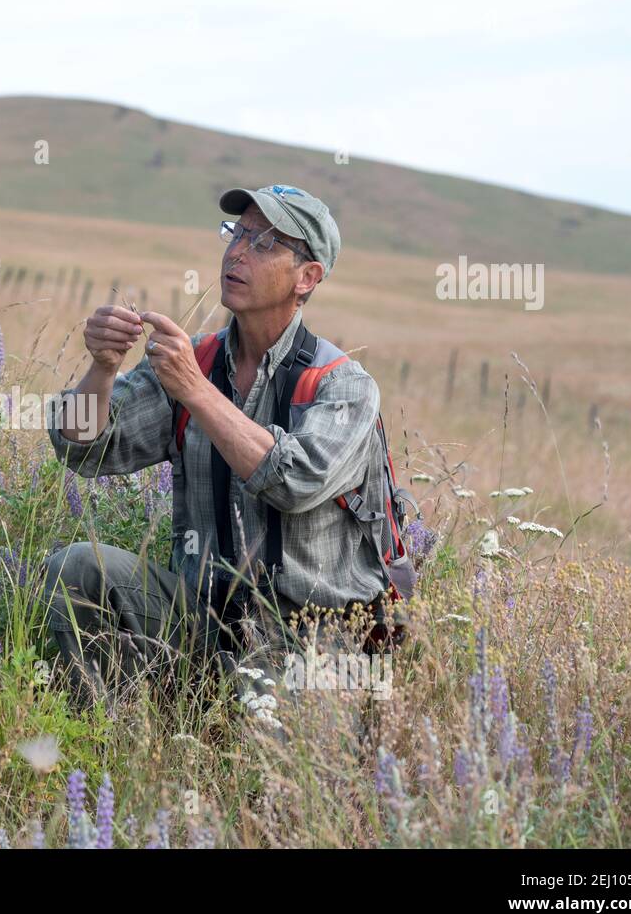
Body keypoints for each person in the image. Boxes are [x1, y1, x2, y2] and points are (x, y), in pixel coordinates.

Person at [42, 184, 400, 736]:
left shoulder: (342, 386)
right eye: (237, 233)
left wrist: (195, 391)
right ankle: (114, 747)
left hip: (314, 644)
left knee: (271, 779)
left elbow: (295, 480)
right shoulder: (199, 360)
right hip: (207, 624)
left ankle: (219, 738)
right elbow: (85, 449)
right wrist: (102, 369)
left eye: (265, 243)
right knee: (77, 568)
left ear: (307, 278)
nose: (237, 252)